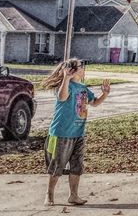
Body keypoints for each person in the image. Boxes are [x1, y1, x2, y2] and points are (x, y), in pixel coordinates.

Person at [39, 58, 111, 206]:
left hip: (78, 133)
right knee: (57, 165)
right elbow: (62, 97)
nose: (83, 68)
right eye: (81, 66)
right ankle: (49, 194)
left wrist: (105, 94)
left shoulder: (83, 88)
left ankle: (73, 195)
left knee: (77, 166)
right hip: (62, 132)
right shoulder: (67, 86)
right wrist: (66, 78)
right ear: (73, 70)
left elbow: (94, 102)